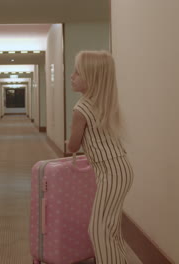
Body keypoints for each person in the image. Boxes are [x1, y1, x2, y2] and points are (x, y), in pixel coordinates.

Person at [66, 50, 134, 264]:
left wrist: (68, 142)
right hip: (119, 168)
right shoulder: (103, 103)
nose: (72, 76)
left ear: (92, 78)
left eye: (77, 72)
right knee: (110, 226)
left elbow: (73, 146)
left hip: (111, 171)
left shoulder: (81, 108)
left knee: (98, 228)